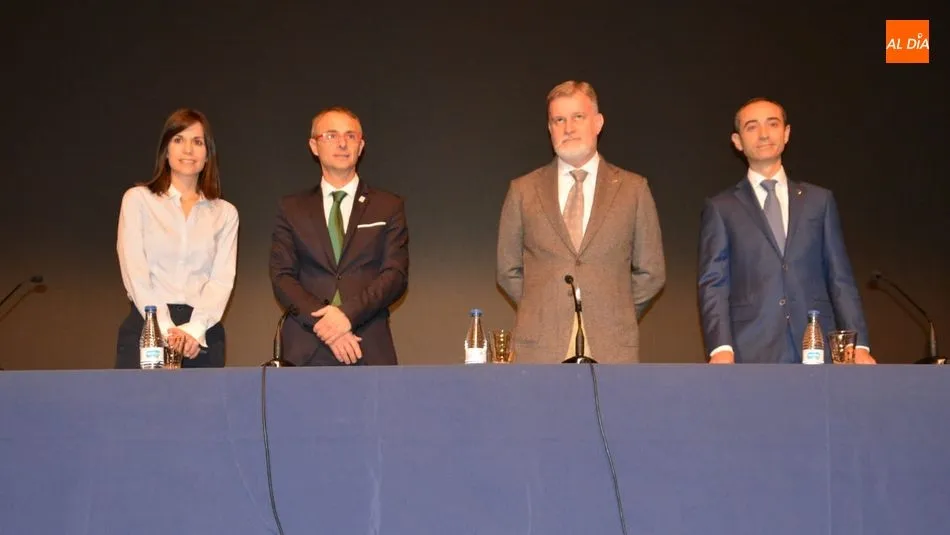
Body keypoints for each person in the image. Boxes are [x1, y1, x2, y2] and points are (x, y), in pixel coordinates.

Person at [496, 80, 666, 363]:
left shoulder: (634, 189)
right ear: (550, 129)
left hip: (612, 344)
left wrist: (613, 309)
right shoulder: (522, 190)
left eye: (578, 117)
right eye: (558, 120)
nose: (568, 128)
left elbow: (651, 271)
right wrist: (543, 307)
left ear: (598, 123)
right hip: (540, 345)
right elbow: (507, 269)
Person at [697, 97, 876, 364]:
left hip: (817, 346)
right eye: (752, 127)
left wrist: (859, 345)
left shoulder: (819, 201)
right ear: (737, 141)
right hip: (751, 348)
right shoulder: (721, 207)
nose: (764, 134)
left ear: (786, 133)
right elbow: (714, 283)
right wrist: (720, 347)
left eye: (772, 124)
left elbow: (840, 278)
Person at [269, 106, 409, 366]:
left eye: (351, 136)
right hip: (305, 346)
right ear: (314, 145)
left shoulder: (388, 206)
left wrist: (346, 316)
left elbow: (394, 275)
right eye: (331, 135)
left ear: (361, 145)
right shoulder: (291, 208)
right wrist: (327, 326)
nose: (342, 143)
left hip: (367, 344)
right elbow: (282, 277)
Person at [116, 108, 239, 368]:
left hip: (201, 336)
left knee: (202, 410)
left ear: (208, 155)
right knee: (139, 409)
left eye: (197, 142)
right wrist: (164, 327)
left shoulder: (225, 213)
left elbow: (221, 281)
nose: (188, 150)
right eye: (178, 140)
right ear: (166, 150)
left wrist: (194, 331)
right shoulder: (138, 200)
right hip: (146, 327)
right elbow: (135, 271)